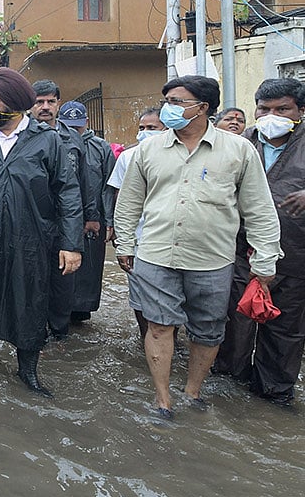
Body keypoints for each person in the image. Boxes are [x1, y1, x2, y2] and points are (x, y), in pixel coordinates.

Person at [114, 75, 281, 420]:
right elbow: (129, 202)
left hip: (212, 258)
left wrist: (265, 256)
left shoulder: (238, 151)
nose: (168, 109)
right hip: (156, 254)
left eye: (177, 102)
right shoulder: (147, 150)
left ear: (203, 108)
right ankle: (163, 400)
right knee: (159, 325)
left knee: (208, 329)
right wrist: (125, 243)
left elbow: (259, 208)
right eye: (167, 101)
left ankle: (192, 392)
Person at [0, 68, 82, 397]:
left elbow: (68, 192)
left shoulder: (47, 140)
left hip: (33, 238)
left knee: (30, 300)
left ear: (12, 103)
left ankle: (28, 370)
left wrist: (71, 244)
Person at [214, 79, 305, 407]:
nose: (271, 115)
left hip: (294, 256)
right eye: (264, 109)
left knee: (284, 328)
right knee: (234, 320)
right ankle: (228, 383)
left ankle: (274, 392)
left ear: (300, 111)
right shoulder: (238, 143)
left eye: (282, 109)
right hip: (240, 251)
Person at [32, 80, 97, 340]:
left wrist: (91, 216)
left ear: (58, 103)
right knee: (32, 276)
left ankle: (59, 332)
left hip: (65, 221)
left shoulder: (72, 138)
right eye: (39, 102)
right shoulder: (22, 136)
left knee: (63, 279)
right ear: (30, 105)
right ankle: (33, 330)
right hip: (32, 219)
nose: (45, 107)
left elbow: (84, 181)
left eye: (50, 101)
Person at [105, 107, 166, 340]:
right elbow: (119, 195)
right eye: (142, 128)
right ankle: (145, 337)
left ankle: (169, 337)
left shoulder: (182, 157)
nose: (145, 133)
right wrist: (121, 236)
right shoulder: (129, 157)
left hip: (168, 237)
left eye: (152, 128)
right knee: (139, 293)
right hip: (138, 238)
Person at [57, 101, 115, 322]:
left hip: (94, 218)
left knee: (89, 267)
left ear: (87, 123)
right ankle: (59, 311)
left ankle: (81, 310)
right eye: (69, 126)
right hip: (63, 217)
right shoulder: (55, 143)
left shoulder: (101, 147)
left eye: (78, 127)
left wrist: (108, 220)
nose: (74, 131)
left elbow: (109, 187)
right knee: (61, 264)